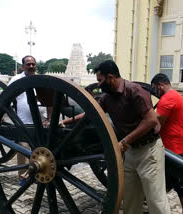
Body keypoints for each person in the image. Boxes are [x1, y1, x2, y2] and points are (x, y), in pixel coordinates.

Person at [62, 60, 171, 214]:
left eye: (100, 80)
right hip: (131, 151)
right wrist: (67, 121)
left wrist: (125, 141)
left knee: (156, 201)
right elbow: (91, 112)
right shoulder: (108, 97)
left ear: (111, 77)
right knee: (130, 200)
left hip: (149, 151)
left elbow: (151, 120)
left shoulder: (135, 91)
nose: (98, 84)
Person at [151, 73, 183, 214]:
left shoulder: (167, 99)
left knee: (178, 182)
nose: (155, 91)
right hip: (179, 143)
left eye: (155, 88)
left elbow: (156, 125)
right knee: (171, 181)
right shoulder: (178, 96)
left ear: (161, 85)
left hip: (172, 147)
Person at [8, 55, 48, 186]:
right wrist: (5, 116)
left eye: (33, 64)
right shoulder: (16, 80)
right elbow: (6, 99)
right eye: (28, 64)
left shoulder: (41, 80)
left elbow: (49, 101)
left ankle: (35, 175)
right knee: (23, 150)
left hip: (40, 122)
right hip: (23, 121)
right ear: (23, 66)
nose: (31, 66)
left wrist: (48, 118)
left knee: (37, 150)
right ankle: (22, 178)